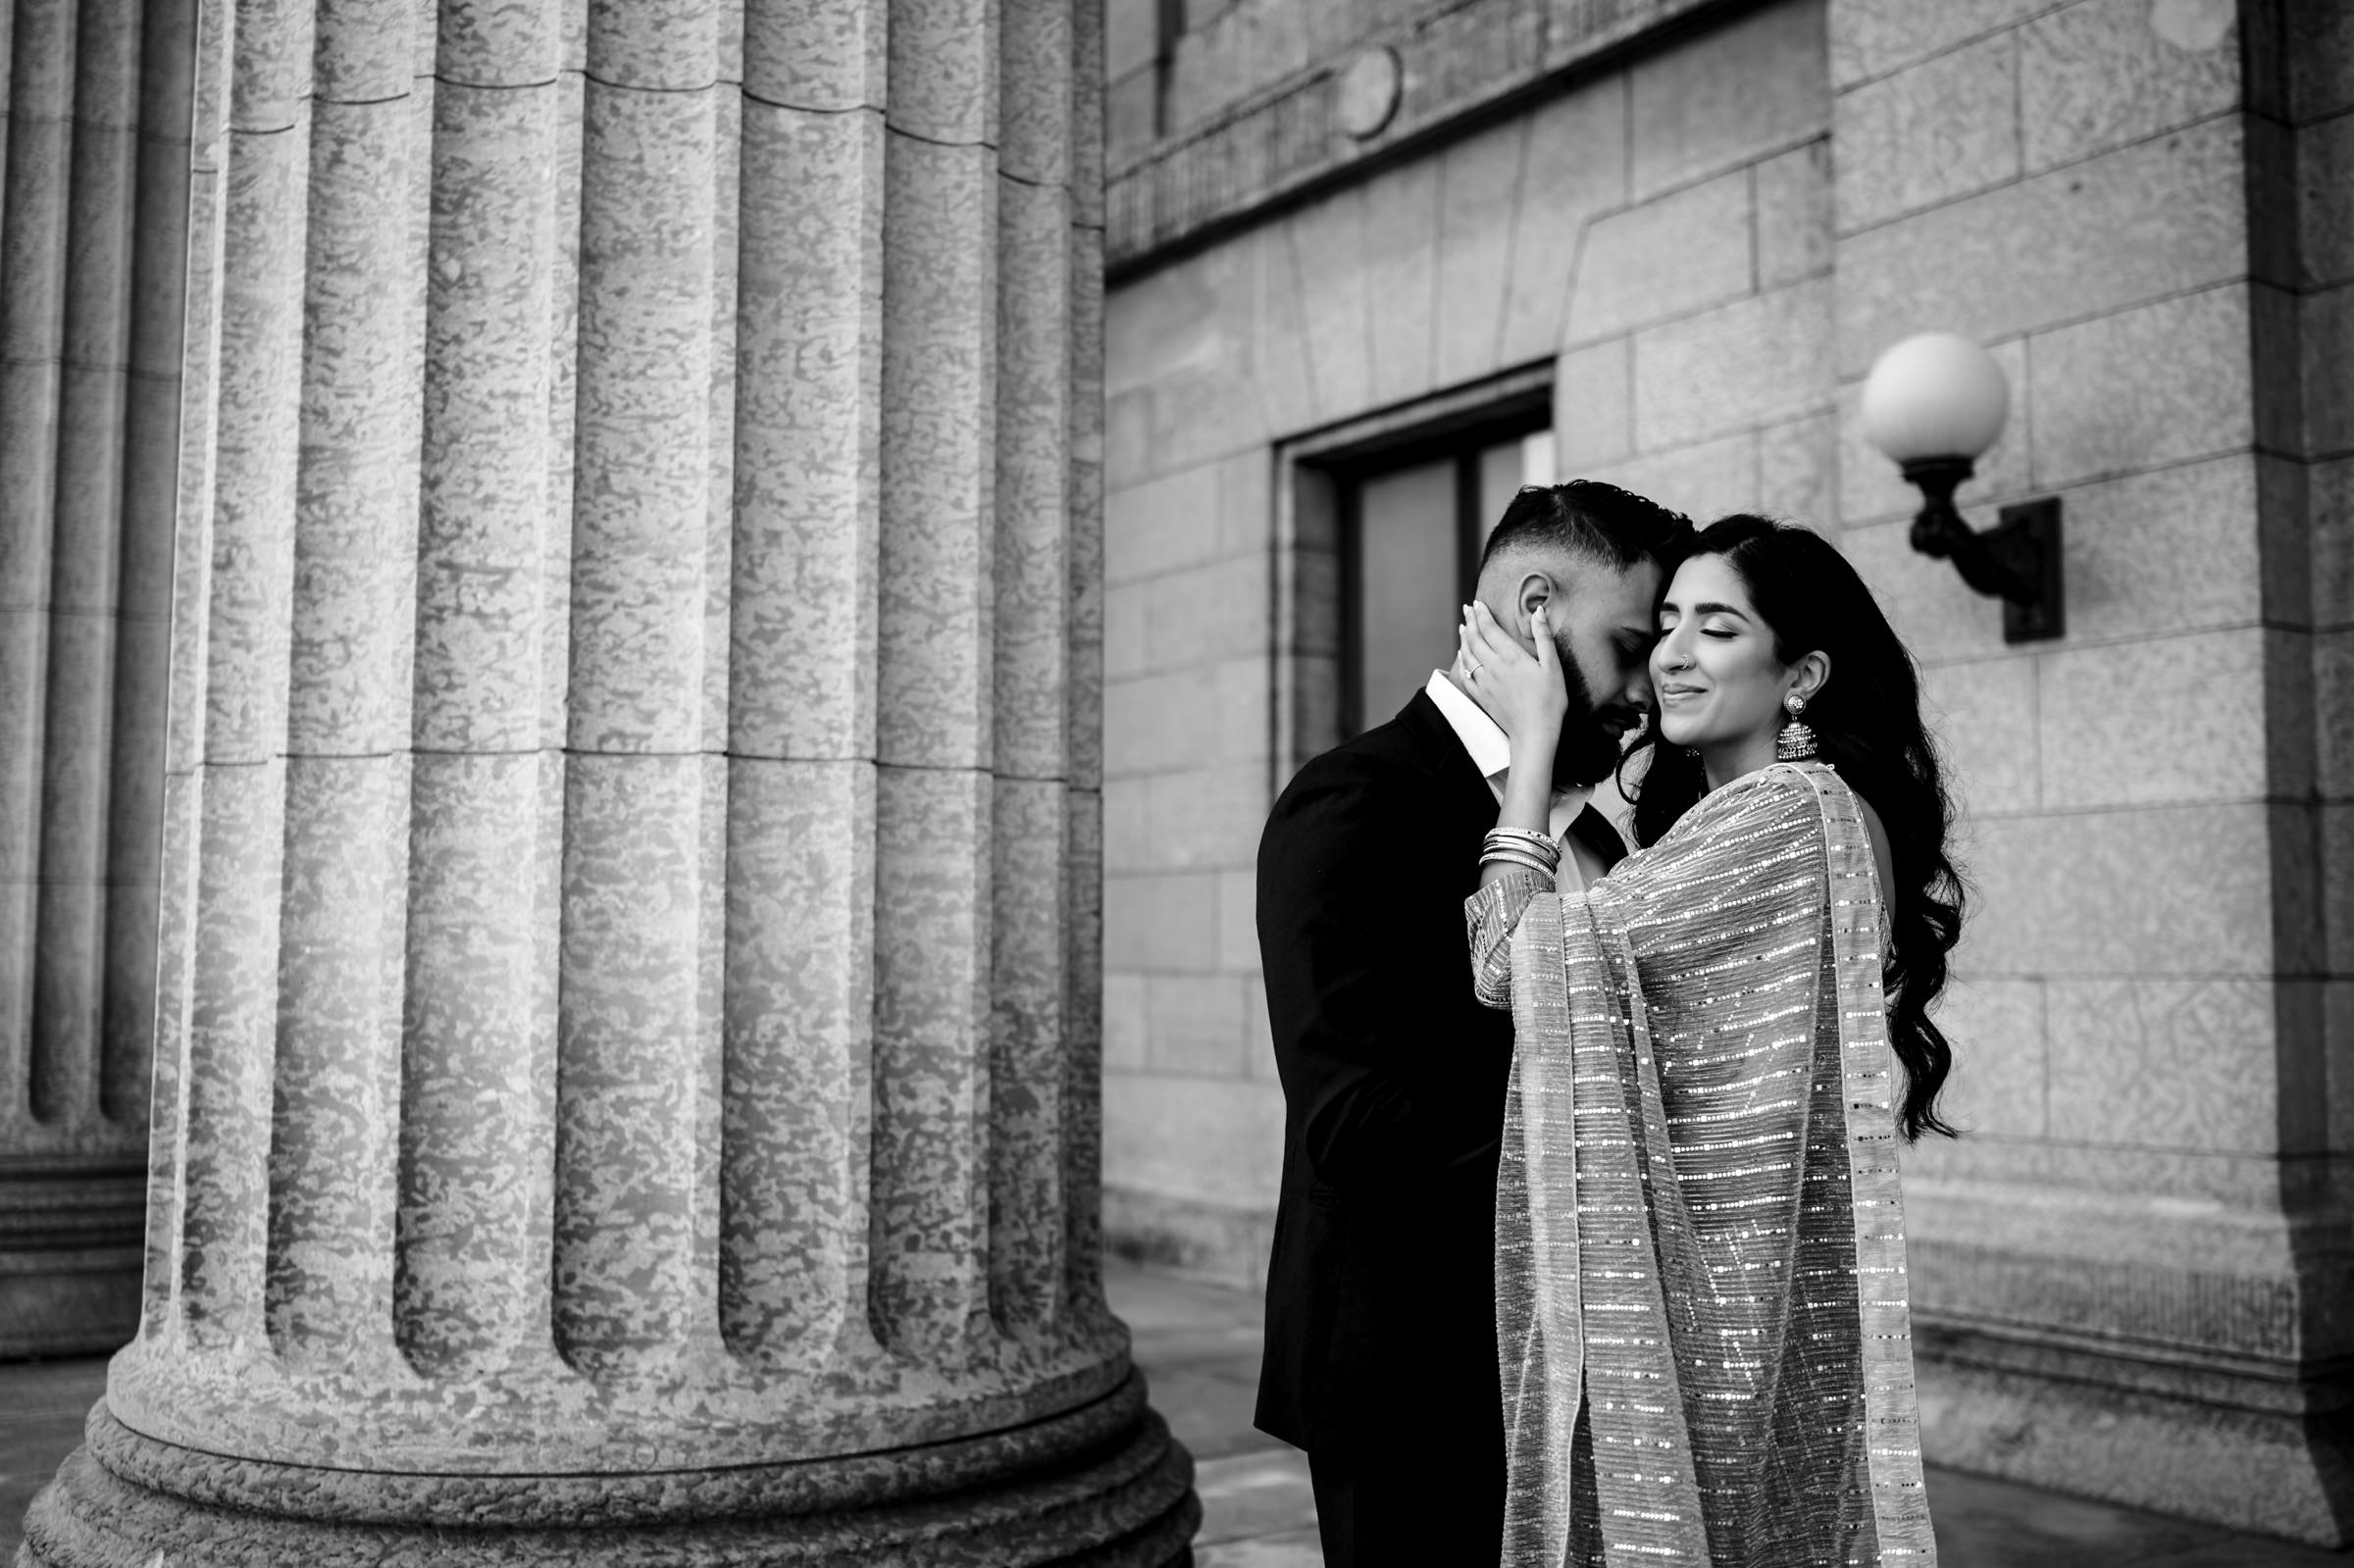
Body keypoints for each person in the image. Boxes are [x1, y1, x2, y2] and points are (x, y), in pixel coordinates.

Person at [1458, 513, 1960, 1566]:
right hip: (1748, 1282)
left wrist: (1533, 742)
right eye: (1667, 624)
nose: (1673, 656)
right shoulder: (1793, 813)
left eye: (1718, 628)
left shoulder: (1781, 810)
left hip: (1715, 1305)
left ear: (1804, 674)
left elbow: (1511, 962)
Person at [1253, 481, 1692, 1568]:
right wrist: (1611, 1156)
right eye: (1632, 645)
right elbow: (1352, 1120)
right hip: (1419, 1378)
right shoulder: (1358, 799)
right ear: (1535, 607)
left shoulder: (1597, 834)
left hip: (1601, 1371)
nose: (1647, 691)